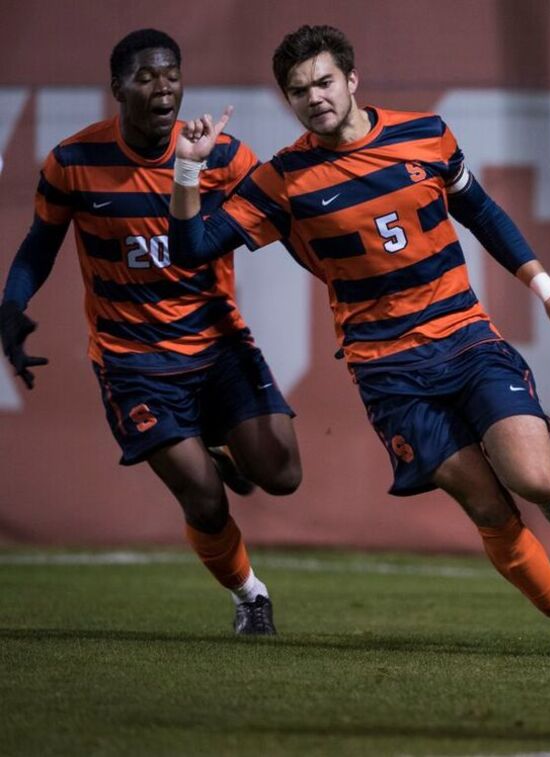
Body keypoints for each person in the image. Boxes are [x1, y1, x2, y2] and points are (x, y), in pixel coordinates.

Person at [168, 24, 550, 658]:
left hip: (465, 337)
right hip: (388, 369)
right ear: (288, 101)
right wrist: (189, 166)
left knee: (533, 481)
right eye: (298, 91)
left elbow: (481, 212)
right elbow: (190, 248)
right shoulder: (284, 179)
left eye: (323, 82)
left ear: (351, 80)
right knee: (487, 507)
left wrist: (549, 292)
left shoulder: (425, 134)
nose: (314, 97)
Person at [0, 28, 303, 635]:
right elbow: (39, 247)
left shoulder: (221, 157)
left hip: (218, 346)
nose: (162, 87)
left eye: (171, 74)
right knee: (205, 497)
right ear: (117, 88)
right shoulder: (73, 162)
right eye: (146, 76)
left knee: (283, 476)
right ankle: (250, 596)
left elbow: (290, 220)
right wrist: (11, 307)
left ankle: (217, 448)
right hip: (132, 359)